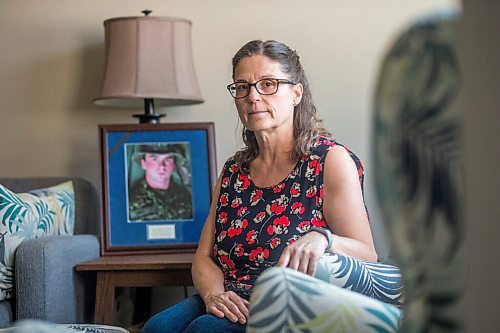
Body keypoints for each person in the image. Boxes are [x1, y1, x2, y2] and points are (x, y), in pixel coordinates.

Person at [142, 40, 402, 333]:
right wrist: (215, 296)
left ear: (296, 93)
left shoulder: (328, 160)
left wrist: (323, 238)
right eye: (242, 86)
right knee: (157, 327)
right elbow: (204, 257)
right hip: (230, 294)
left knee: (204, 330)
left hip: (286, 302)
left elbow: (367, 253)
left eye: (268, 84)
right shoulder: (233, 171)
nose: (253, 96)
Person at [128, 143, 193, 221]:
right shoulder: (128, 202)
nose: (162, 166)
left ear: (173, 165)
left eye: (167, 159)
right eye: (154, 159)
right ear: (143, 164)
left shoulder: (187, 199)